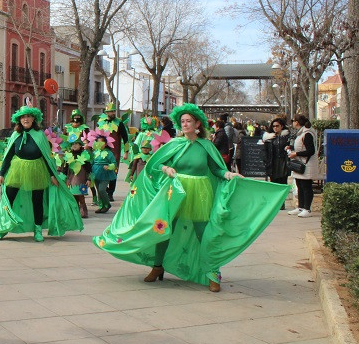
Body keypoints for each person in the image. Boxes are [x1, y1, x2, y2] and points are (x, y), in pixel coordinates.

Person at [93, 103, 290, 293]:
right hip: (175, 191)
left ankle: (212, 273)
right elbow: (153, 165)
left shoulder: (206, 146)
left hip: (200, 193)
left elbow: (217, 169)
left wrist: (230, 175)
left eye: (189, 121)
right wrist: (166, 168)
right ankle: (157, 266)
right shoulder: (175, 144)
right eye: (183, 121)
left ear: (198, 124)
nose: (185, 124)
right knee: (164, 228)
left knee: (203, 233)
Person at [0, 106, 84, 242]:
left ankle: (38, 230)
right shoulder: (15, 135)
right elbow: (8, 156)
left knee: (37, 200)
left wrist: (52, 175)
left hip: (37, 170)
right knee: (8, 198)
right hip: (17, 170)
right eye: (23, 117)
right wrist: (2, 173)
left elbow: (46, 157)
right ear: (19, 120)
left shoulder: (39, 135)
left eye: (28, 116)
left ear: (33, 119)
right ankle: (3, 227)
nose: (26, 119)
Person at [96, 102, 130, 202]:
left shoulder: (119, 123)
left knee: (113, 171)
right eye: (111, 111)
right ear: (106, 112)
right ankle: (103, 190)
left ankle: (110, 193)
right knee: (101, 169)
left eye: (113, 111)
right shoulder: (100, 122)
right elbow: (96, 136)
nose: (113, 113)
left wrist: (126, 152)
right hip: (102, 150)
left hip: (115, 151)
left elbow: (125, 138)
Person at [287, 114, 318, 218]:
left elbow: (310, 150)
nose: (292, 123)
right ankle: (300, 207)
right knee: (299, 185)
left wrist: (296, 154)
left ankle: (307, 208)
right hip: (301, 163)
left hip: (306, 164)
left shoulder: (307, 133)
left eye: (293, 121)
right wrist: (291, 147)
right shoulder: (301, 133)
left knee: (306, 186)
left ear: (297, 122)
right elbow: (300, 146)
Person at [87, 129, 118, 214]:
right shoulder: (95, 152)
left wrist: (109, 166)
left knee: (102, 189)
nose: (100, 145)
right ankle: (101, 206)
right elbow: (91, 162)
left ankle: (107, 204)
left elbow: (114, 163)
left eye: (102, 143)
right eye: (98, 142)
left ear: (105, 144)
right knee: (98, 191)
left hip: (105, 173)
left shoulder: (109, 153)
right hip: (96, 173)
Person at [62, 138, 92, 218]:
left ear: (80, 145)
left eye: (76, 144)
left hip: (81, 178)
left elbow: (89, 169)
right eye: (72, 144)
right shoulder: (69, 156)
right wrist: (65, 179)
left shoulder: (84, 155)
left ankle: (83, 210)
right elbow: (65, 169)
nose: (74, 145)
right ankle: (75, 211)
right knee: (74, 195)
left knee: (81, 195)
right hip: (71, 179)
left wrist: (89, 179)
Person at [262, 118, 291, 189]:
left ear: (281, 126)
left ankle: (282, 199)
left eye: (277, 126)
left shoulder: (286, 137)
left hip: (283, 163)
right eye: (273, 126)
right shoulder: (269, 138)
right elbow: (265, 151)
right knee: (274, 184)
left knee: (283, 184)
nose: (275, 128)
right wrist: (266, 161)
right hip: (272, 163)